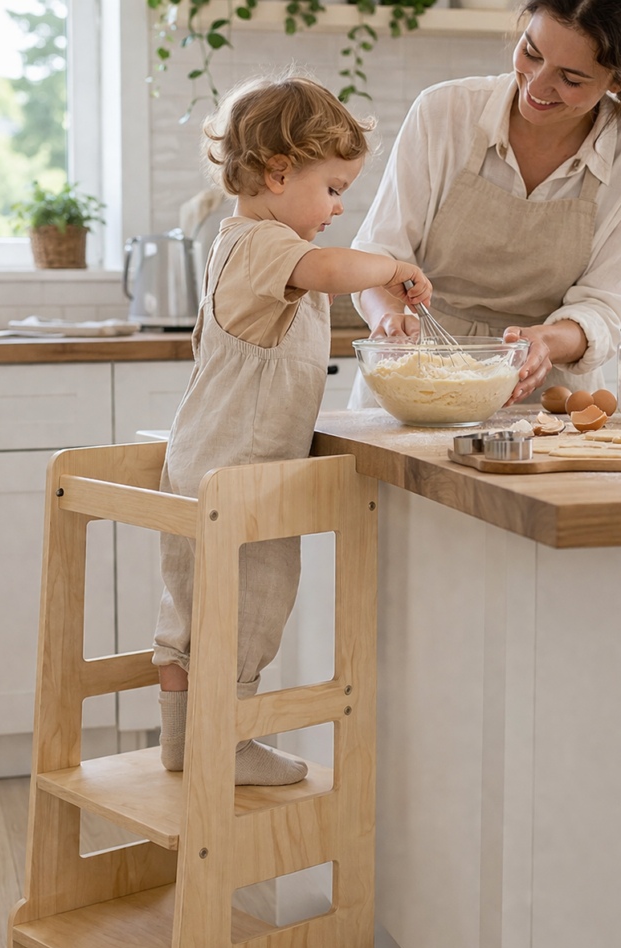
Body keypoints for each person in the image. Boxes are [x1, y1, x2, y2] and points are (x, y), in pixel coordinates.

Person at [152, 75, 432, 783]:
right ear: (278, 173)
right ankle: (232, 746)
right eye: (334, 188)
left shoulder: (250, 249)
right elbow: (333, 268)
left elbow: (320, 278)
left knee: (192, 613)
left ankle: (185, 742)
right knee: (248, 608)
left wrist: (389, 318)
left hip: (207, 462)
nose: (340, 207)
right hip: (242, 476)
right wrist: (395, 265)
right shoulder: (266, 246)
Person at [349, 0, 621, 408]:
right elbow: (378, 255)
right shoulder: (445, 112)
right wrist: (387, 317)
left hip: (541, 397)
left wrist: (544, 342)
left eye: (571, 79)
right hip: (413, 374)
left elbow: (605, 309)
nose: (538, 87)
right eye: (531, 53)